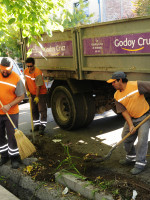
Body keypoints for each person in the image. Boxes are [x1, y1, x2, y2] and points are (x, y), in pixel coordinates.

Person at [107, 71, 150, 175]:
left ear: (120, 80)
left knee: (142, 141)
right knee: (125, 138)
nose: (112, 84)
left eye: (113, 82)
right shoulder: (117, 95)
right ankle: (131, 157)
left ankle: (140, 164)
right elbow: (124, 111)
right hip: (132, 118)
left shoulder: (136, 85)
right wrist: (131, 125)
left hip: (144, 116)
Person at [0, 57, 25, 169]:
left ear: (11, 68)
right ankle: (4, 156)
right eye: (2, 69)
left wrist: (9, 105)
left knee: (12, 136)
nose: (4, 71)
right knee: (0, 136)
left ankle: (14, 157)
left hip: (11, 113)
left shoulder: (16, 78)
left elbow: (21, 96)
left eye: (7, 69)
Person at [24, 57, 47, 135]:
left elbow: (38, 86)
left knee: (42, 110)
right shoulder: (26, 71)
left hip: (40, 93)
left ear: (33, 65)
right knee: (34, 110)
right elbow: (26, 82)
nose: (29, 68)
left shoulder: (37, 72)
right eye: (28, 66)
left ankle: (42, 126)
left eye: (31, 66)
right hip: (32, 93)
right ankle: (36, 125)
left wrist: (37, 96)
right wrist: (27, 91)